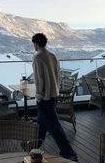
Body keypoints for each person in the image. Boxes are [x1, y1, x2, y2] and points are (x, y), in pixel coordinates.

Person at [32, 33, 78, 162]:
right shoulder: (52, 56)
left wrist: (39, 95)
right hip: (53, 95)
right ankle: (34, 146)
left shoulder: (37, 57)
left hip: (44, 97)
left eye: (33, 43)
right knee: (42, 123)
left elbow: (39, 79)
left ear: (36, 43)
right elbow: (58, 75)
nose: (33, 46)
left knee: (55, 127)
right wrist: (55, 90)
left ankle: (69, 153)